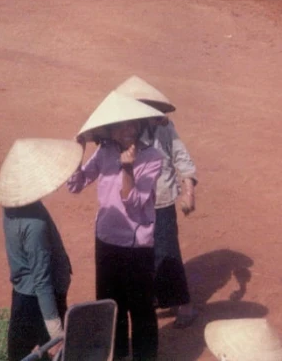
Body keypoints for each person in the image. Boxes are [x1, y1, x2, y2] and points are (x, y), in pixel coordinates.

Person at [65, 90, 166, 361]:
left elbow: (134, 204)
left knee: (142, 311)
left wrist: (128, 169)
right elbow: (75, 184)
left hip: (136, 247)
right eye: (122, 125)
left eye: (133, 123)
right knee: (112, 309)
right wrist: (79, 149)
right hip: (106, 242)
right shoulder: (104, 151)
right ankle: (118, 356)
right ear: (110, 129)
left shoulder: (153, 158)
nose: (129, 130)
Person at [115, 75, 200, 329]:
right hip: (133, 203)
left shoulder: (163, 127)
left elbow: (181, 158)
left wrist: (188, 192)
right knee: (140, 254)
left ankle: (184, 304)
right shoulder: (120, 131)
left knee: (167, 253)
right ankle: (151, 300)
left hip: (161, 202)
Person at [0, 138, 83, 361]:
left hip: (23, 292)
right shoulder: (35, 225)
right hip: (40, 299)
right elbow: (42, 281)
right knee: (49, 352)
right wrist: (55, 331)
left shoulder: (11, 207)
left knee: (19, 350)